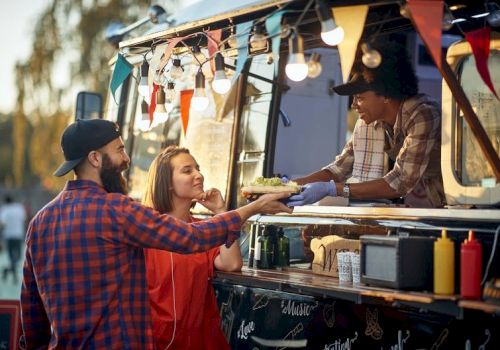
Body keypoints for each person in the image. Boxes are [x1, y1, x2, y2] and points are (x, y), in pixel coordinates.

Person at [20, 119, 292, 349]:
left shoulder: (40, 222)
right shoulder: (117, 210)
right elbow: (192, 238)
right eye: (120, 150)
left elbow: (31, 313)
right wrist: (254, 207)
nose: (126, 160)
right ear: (95, 158)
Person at [288, 41, 445, 208]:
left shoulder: (423, 114)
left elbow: (400, 181)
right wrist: (291, 186)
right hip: (435, 196)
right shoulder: (370, 123)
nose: (354, 105)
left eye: (360, 98)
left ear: (385, 95)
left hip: (460, 195)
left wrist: (332, 189)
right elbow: (339, 169)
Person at [143, 146, 240, 349]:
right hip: (157, 342)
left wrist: (221, 212)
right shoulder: (145, 230)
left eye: (198, 168)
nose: (199, 175)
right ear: (167, 183)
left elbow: (231, 264)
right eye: (188, 171)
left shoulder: (202, 229)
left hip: (201, 342)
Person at [0, 194, 27, 282]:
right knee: (18, 257)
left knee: (12, 256)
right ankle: (14, 275)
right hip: (18, 235)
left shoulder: (5, 209)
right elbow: (24, 219)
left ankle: (6, 271)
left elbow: (2, 224)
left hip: (9, 235)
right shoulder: (19, 208)